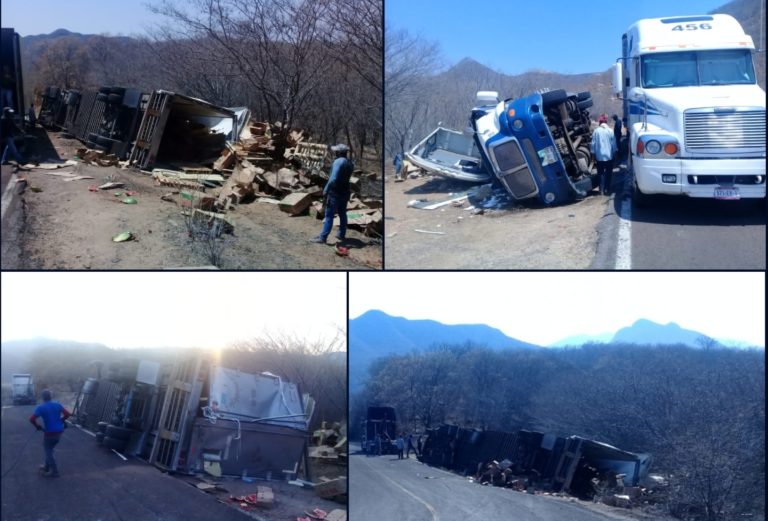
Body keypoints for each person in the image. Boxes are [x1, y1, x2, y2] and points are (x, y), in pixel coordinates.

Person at [311, 143, 354, 244]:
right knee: (342, 213)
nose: (335, 153)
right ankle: (341, 234)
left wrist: (326, 189)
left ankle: (323, 237)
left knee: (329, 215)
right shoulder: (350, 163)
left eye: (336, 151)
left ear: (339, 152)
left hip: (335, 192)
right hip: (345, 191)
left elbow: (333, 178)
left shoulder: (338, 162)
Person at [29, 389, 71, 478]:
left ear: (43, 398)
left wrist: (37, 426)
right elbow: (67, 414)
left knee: (48, 451)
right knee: (50, 449)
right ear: (51, 396)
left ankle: (55, 472)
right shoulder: (57, 404)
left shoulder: (41, 407)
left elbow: (32, 419)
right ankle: (46, 467)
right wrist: (61, 420)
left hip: (50, 433)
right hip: (59, 432)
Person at [591, 114, 617, 195]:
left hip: (599, 157)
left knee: (600, 173)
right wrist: (614, 153)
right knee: (609, 173)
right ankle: (607, 189)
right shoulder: (610, 131)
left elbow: (593, 144)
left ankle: (601, 190)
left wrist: (593, 155)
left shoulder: (596, 131)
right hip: (609, 156)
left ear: (600, 122)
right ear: (606, 122)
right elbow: (614, 144)